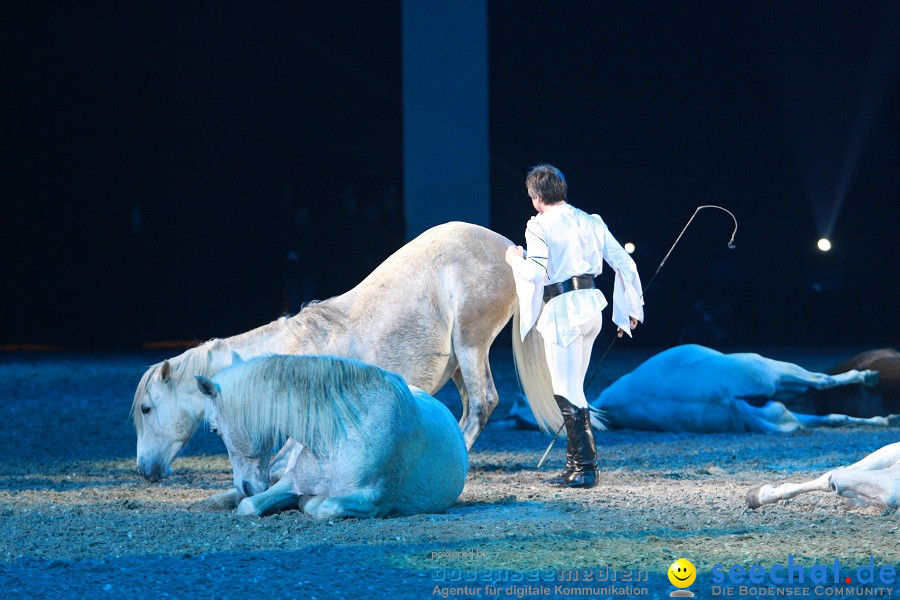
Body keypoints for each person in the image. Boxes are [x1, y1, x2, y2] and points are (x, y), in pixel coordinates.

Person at [505, 164, 644, 488]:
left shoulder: (538, 225)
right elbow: (624, 262)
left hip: (565, 310)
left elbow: (536, 274)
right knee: (574, 389)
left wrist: (514, 260)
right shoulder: (590, 221)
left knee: (565, 390)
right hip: (591, 309)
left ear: (537, 198)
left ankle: (584, 468)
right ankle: (577, 465)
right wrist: (629, 310)